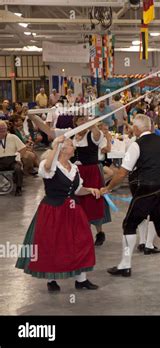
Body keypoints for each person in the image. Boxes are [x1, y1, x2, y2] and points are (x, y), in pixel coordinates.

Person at [102, 115, 160, 278]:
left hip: (145, 190)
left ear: (137, 129)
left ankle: (125, 265)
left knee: (129, 224)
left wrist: (108, 188)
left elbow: (122, 172)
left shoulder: (136, 145)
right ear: (151, 127)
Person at [15, 136, 100, 292]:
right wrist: (56, 145)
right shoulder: (48, 166)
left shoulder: (74, 167)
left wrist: (90, 190)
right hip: (53, 211)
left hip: (73, 210)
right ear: (62, 149)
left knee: (81, 241)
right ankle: (52, 280)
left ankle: (81, 280)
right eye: (71, 145)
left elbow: (77, 190)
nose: (74, 148)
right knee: (53, 244)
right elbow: (47, 168)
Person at [72, 116, 111, 246]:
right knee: (78, 202)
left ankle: (100, 232)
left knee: (94, 201)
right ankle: (83, 232)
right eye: (80, 119)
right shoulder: (72, 135)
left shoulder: (93, 135)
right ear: (76, 122)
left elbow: (97, 134)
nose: (82, 122)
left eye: (85, 119)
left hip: (91, 172)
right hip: (76, 172)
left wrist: (92, 124)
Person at [0, 120, 26, 196]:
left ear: (6, 128)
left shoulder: (13, 137)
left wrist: (19, 157)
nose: (2, 130)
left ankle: (19, 188)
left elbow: (23, 148)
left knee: (18, 168)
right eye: (0, 128)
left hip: (12, 160)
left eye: (3, 128)